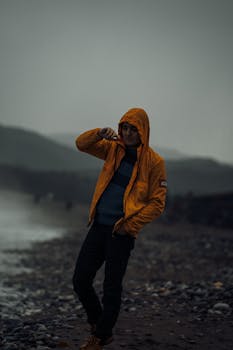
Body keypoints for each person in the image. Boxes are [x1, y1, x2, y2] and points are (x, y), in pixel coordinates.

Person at [73, 107, 167, 350]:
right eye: (123, 128)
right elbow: (81, 144)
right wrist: (99, 133)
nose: (126, 133)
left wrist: (130, 226)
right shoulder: (113, 149)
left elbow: (158, 202)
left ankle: (101, 336)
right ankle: (98, 323)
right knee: (80, 280)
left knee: (111, 288)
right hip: (98, 226)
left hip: (121, 233)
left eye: (132, 129)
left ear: (142, 131)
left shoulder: (154, 162)